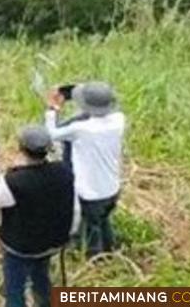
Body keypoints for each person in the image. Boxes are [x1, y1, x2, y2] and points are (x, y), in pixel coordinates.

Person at [0, 126, 79, 307]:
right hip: (51, 242)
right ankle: (45, 302)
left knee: (14, 288)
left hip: (21, 248)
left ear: (21, 148)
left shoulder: (15, 182)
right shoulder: (64, 171)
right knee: (41, 275)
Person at [45, 82, 124, 258]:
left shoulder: (81, 129)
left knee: (90, 227)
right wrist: (70, 91)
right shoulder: (119, 120)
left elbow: (51, 134)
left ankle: (94, 257)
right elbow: (100, 104)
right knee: (103, 219)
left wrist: (53, 108)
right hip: (112, 188)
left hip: (91, 193)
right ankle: (111, 246)